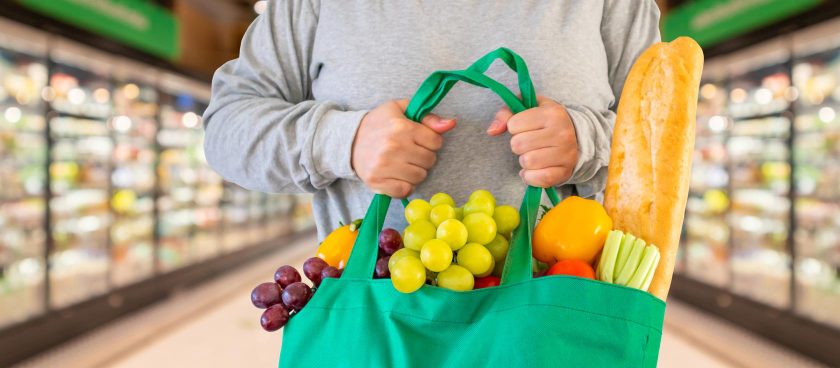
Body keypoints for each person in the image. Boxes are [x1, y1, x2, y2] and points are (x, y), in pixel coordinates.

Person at [203, 1, 660, 239]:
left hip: (560, 319)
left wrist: (588, 141)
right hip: (375, 321)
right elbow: (227, 127)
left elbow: (665, 142)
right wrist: (342, 141)